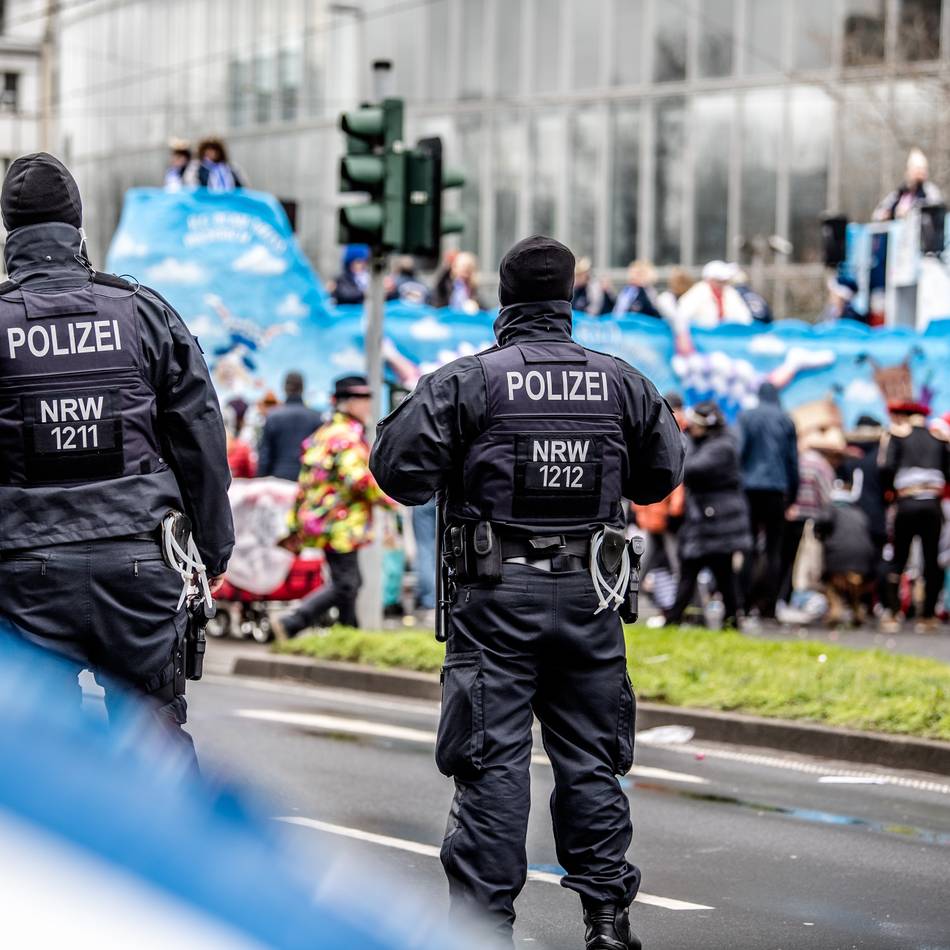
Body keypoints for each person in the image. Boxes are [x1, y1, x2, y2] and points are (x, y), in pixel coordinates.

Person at [370, 235, 685, 949]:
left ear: (503, 302)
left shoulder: (470, 381)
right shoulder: (621, 380)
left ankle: (486, 931)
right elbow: (661, 474)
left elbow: (396, 470)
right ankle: (607, 922)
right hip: (591, 595)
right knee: (591, 760)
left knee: (490, 763)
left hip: (495, 596)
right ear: (569, 298)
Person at [0, 153, 234, 763]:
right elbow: (200, 436)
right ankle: (176, 854)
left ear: (9, 234)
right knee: (153, 738)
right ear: (78, 229)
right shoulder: (143, 311)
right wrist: (210, 552)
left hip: (22, 572)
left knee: (29, 752)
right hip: (140, 562)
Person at [274, 375, 391, 635]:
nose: (368, 406)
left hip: (325, 521)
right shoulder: (345, 436)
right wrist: (393, 499)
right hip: (340, 523)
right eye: (363, 400)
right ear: (348, 404)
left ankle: (348, 632)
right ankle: (292, 622)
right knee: (347, 583)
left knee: (349, 581)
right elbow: (359, 480)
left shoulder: (326, 432)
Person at [661, 401, 751, 629]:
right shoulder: (707, 442)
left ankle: (679, 619)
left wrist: (682, 443)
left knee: (712, 573)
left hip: (717, 520)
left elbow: (690, 468)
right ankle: (727, 621)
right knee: (709, 573)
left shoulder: (722, 447)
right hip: (708, 520)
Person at [878, 400, 950, 633]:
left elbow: (886, 468)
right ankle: (927, 615)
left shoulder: (897, 437)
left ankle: (892, 612)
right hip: (932, 504)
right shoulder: (938, 438)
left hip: (907, 503)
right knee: (932, 560)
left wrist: (891, 493)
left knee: (898, 557)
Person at [737, 382, 799, 620]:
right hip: (776, 490)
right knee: (773, 551)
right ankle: (768, 606)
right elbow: (793, 461)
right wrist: (792, 496)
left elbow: (739, 452)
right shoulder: (786, 420)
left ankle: (743, 602)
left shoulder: (746, 417)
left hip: (749, 489)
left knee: (748, 547)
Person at [777, 429, 842, 608]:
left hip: (789, 515)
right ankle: (787, 597)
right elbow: (827, 497)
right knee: (797, 563)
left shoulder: (798, 460)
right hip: (808, 520)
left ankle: (779, 598)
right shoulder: (822, 466)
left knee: (784, 559)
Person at [814, 478, 876, 627]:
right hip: (864, 562)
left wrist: (821, 537)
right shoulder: (859, 512)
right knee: (854, 587)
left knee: (829, 581)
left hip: (838, 559)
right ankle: (856, 611)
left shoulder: (831, 508)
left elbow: (821, 523)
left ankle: (836, 608)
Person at [256, 372, 322, 482]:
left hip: (278, 479)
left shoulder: (272, 416)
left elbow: (265, 456)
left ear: (285, 388)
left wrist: (261, 481)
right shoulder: (316, 417)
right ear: (302, 388)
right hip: (307, 480)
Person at [675, 261, 752, 328]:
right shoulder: (697, 293)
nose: (722, 285)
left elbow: (745, 318)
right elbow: (682, 317)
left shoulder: (730, 293)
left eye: (724, 281)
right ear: (708, 280)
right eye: (719, 281)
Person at [873, 149, 943, 222]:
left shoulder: (930, 191)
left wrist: (910, 210)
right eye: (917, 170)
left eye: (922, 170)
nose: (920, 174)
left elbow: (936, 207)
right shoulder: (899, 193)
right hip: (900, 230)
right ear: (908, 171)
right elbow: (877, 213)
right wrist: (890, 214)